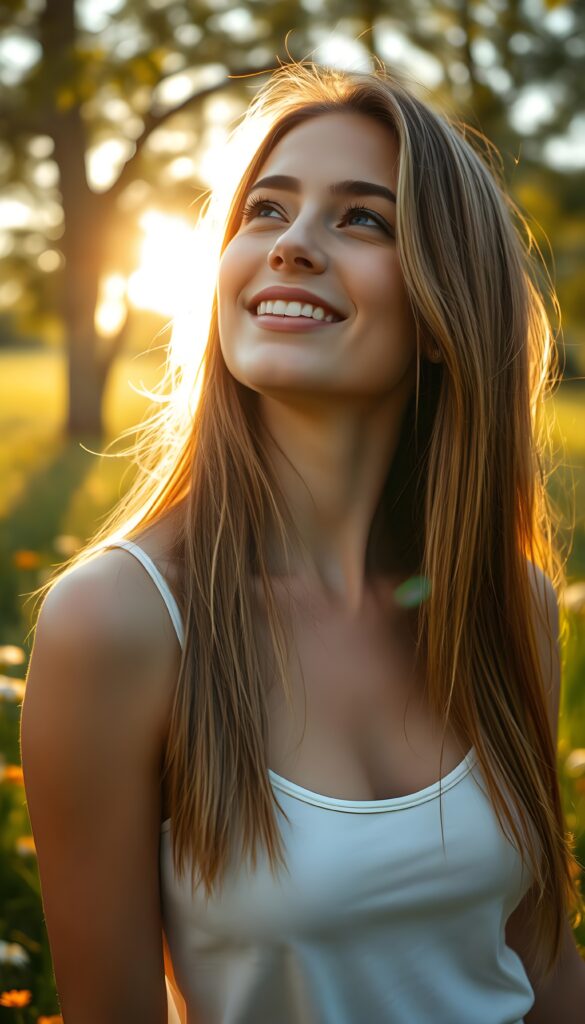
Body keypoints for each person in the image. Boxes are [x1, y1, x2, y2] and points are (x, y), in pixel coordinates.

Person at [20, 60, 585, 1023]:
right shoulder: (118, 622)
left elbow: (541, 963)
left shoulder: (509, 603)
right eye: (267, 211)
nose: (291, 246)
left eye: (360, 217)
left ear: (447, 311)